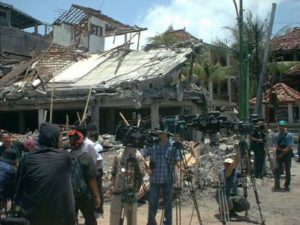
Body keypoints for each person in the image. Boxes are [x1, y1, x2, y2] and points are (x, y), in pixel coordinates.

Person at [14, 122, 76, 225]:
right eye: (59, 136)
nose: (61, 140)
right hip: (62, 217)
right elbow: (74, 182)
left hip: (34, 216)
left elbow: (18, 185)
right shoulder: (65, 157)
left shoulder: (27, 158)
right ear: (54, 138)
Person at [142, 129, 181, 225]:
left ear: (166, 133)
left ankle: (168, 222)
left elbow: (177, 161)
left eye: (161, 132)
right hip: (155, 179)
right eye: (158, 132)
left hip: (168, 179)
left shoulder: (172, 146)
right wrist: (147, 168)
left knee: (168, 203)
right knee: (152, 202)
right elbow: (142, 154)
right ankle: (151, 222)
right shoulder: (153, 145)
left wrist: (179, 177)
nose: (159, 134)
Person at [68, 130, 100, 225]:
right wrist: (97, 196)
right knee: (90, 220)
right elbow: (92, 179)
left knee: (72, 220)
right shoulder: (86, 157)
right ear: (82, 143)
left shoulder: (65, 157)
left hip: (70, 195)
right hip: (84, 195)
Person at [110, 145, 146, 225]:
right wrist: (112, 185)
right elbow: (113, 171)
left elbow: (141, 174)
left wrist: (127, 173)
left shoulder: (138, 156)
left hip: (131, 192)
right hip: (117, 190)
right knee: (114, 217)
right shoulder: (119, 154)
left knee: (131, 219)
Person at [273, 120, 294, 192]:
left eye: (282, 126)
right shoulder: (276, 135)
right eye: (280, 126)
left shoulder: (289, 135)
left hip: (287, 153)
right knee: (276, 168)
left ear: (285, 127)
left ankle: (286, 185)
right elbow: (275, 144)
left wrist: (282, 153)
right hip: (279, 152)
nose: (281, 128)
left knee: (287, 169)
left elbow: (289, 146)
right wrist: (279, 152)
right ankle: (277, 184)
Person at [88, 129, 105, 216]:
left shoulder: (97, 147)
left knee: (98, 190)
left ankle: (99, 209)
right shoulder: (93, 146)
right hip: (95, 170)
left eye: (89, 136)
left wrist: (92, 170)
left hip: (97, 170)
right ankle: (96, 208)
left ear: (93, 137)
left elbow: (98, 160)